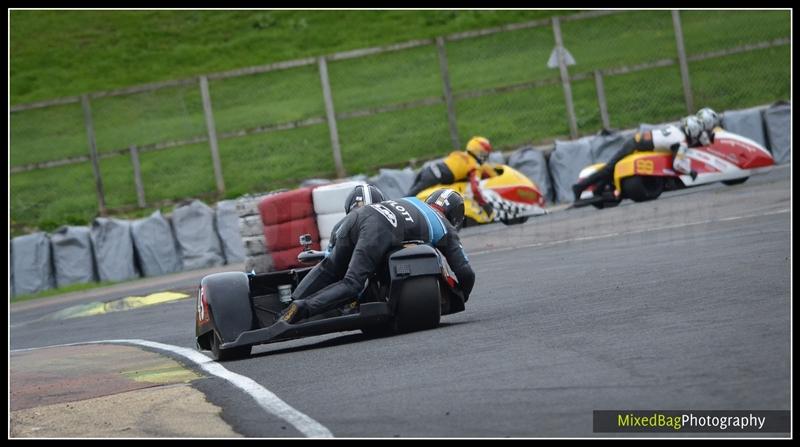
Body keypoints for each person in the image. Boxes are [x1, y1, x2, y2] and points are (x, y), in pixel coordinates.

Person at [279, 189, 475, 324]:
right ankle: (302, 308)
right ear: (454, 216)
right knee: (352, 284)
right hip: (377, 229)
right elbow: (466, 273)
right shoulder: (443, 225)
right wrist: (461, 296)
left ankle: (285, 310)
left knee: (329, 267)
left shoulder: (411, 201)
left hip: (356, 217)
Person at [571, 115, 708, 201]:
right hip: (634, 146)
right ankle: (579, 187)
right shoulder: (681, 141)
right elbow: (677, 164)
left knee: (612, 169)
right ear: (694, 132)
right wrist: (691, 172)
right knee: (609, 169)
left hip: (637, 143)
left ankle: (598, 190)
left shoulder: (674, 129)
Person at [407, 136, 498, 215]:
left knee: (410, 194)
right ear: (479, 153)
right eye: (484, 154)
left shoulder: (458, 153)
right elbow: (475, 189)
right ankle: (400, 209)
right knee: (410, 199)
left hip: (429, 169)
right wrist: (485, 205)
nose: (485, 157)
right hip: (435, 176)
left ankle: (399, 205)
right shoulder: (474, 166)